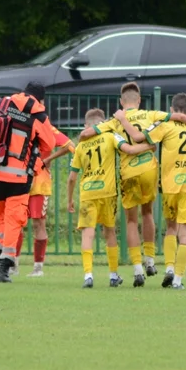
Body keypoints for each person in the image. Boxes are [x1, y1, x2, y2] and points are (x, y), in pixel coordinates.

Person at [78, 82, 186, 286]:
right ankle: (150, 260)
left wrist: (88, 134)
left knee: (131, 220)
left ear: (121, 102)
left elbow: (88, 133)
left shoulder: (115, 121)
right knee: (148, 213)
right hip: (149, 169)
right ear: (139, 100)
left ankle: (137, 268)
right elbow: (181, 117)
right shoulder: (151, 114)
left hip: (128, 172)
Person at [118, 93, 186, 290]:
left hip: (169, 187)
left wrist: (122, 119)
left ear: (171, 110)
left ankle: (169, 268)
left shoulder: (164, 125)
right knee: (185, 234)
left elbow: (137, 137)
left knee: (171, 228)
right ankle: (178, 280)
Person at [0, 82, 65, 283]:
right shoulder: (38, 116)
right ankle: (4, 269)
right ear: (40, 100)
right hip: (19, 177)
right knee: (13, 221)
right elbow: (49, 144)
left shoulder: (1, 103)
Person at [68, 108, 149, 288]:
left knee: (88, 234)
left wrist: (69, 199)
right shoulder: (111, 137)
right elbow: (129, 149)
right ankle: (113, 275)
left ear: (86, 126)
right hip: (108, 193)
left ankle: (88, 275)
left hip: (88, 193)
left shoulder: (81, 146)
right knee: (110, 232)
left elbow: (72, 177)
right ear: (103, 123)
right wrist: (149, 147)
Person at [25, 126, 74, 277]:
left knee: (38, 222)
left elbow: (70, 146)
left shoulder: (46, 128)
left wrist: (47, 160)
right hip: (17, 179)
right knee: (15, 221)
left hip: (39, 182)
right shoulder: (17, 123)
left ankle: (38, 268)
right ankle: (12, 264)